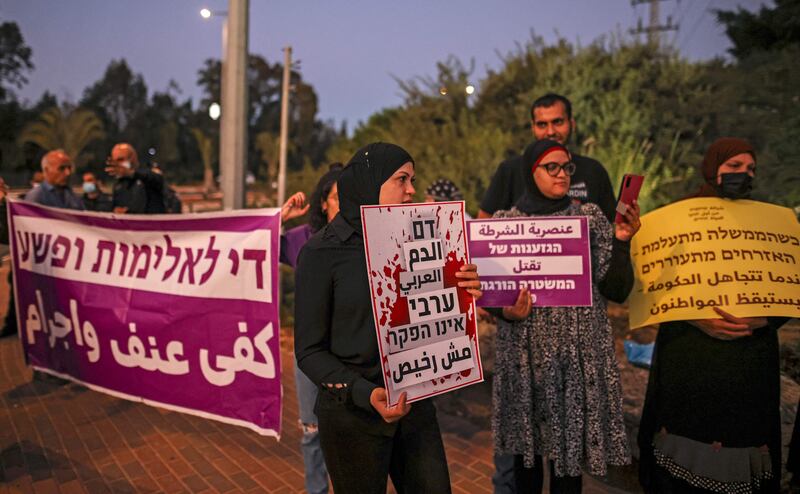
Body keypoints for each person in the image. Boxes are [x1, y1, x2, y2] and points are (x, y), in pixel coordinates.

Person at [294, 142, 482, 493]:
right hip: (352, 414)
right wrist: (366, 394)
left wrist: (462, 290)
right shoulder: (321, 252)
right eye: (402, 179)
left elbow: (431, 312)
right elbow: (309, 351)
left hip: (415, 403)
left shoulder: (421, 239)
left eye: (412, 179)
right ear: (370, 182)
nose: (411, 189)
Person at [637, 137, 789, 493]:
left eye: (750, 169)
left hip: (747, 365)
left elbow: (787, 286)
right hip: (690, 358)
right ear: (713, 167)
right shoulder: (678, 217)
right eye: (734, 167)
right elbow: (654, 284)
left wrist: (763, 321)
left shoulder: (768, 222)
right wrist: (695, 318)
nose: (743, 175)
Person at [485, 93, 620, 493]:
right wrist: (503, 311)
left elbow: (613, 275)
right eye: (551, 167)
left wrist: (624, 240)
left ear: (571, 124)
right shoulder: (506, 214)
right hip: (523, 355)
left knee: (567, 467)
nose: (562, 174)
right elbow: (491, 279)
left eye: (566, 167)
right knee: (524, 461)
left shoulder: (590, 208)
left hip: (575, 355)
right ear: (531, 170)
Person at [279, 163, 343, 494]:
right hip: (309, 353)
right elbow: (257, 246)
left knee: (349, 432)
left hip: (349, 351)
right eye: (337, 197)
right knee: (312, 430)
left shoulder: (364, 241)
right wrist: (282, 216)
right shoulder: (302, 238)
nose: (345, 204)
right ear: (322, 202)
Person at [479, 93, 616, 222]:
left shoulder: (593, 170)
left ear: (572, 124)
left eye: (558, 122)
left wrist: (627, 212)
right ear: (533, 128)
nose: (550, 132)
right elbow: (483, 225)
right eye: (542, 124)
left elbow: (613, 218)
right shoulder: (509, 170)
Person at [105, 143, 166, 214]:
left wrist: (131, 173)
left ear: (132, 158)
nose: (118, 164)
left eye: (120, 159)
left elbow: (157, 179)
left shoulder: (147, 173)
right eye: (115, 161)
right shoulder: (118, 185)